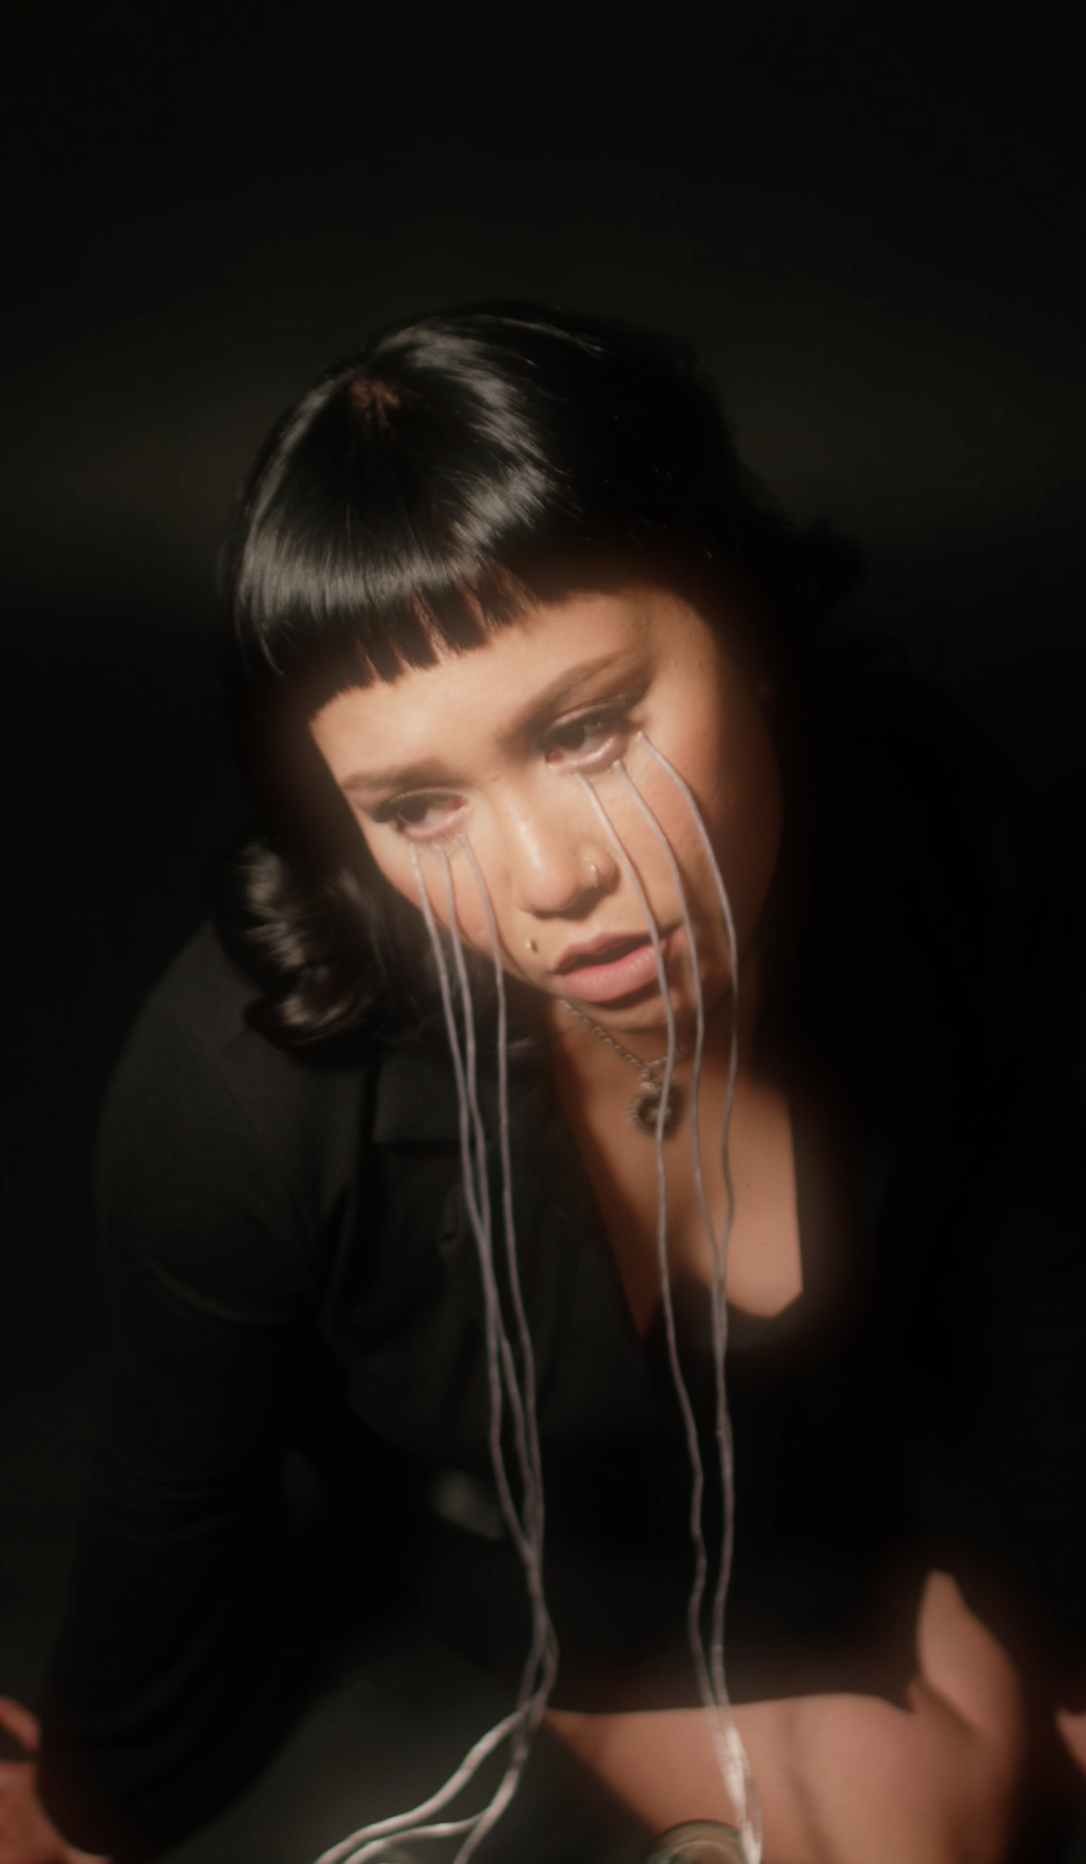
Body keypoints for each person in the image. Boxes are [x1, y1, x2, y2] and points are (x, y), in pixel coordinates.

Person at [1, 302, 1084, 1864]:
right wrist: (89, 1807)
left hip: (888, 1454)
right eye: (416, 806)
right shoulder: (248, 1089)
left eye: (584, 730)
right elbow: (180, 1477)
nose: (546, 878)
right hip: (564, 1546)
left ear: (747, 628)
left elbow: (1033, 1292)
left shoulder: (935, 843)